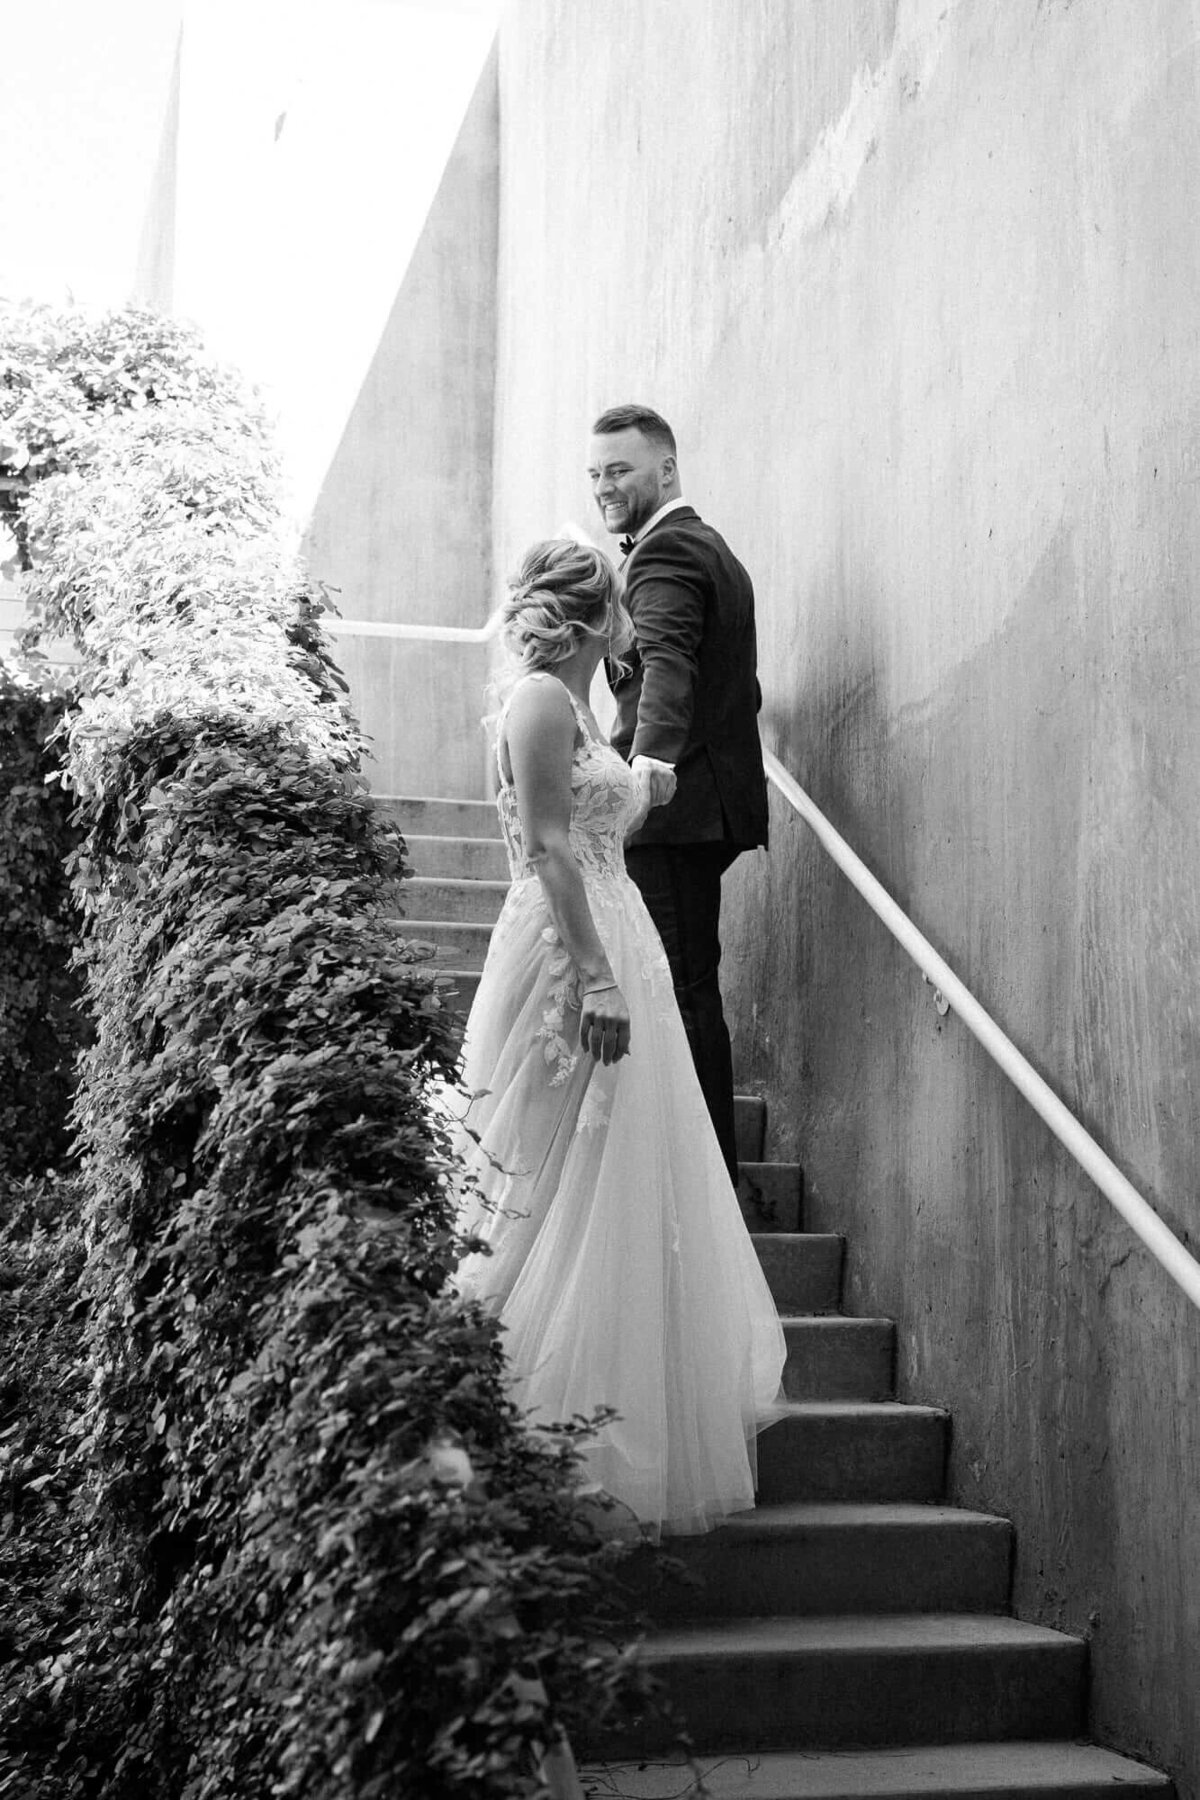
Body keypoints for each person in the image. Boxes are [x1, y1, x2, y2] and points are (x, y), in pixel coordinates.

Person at [452, 539, 784, 1539]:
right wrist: (596, 973)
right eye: (622, 606)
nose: (633, 623)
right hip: (571, 950)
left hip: (612, 924)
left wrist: (645, 785)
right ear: (602, 617)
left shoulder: (575, 703)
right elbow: (549, 841)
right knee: (548, 1161)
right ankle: (500, 1409)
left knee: (605, 1169)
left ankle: (578, 1420)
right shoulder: (542, 701)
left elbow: (594, 818)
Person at [587, 405, 769, 1185]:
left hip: (675, 812)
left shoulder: (663, 555)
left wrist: (646, 770)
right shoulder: (708, 547)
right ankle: (700, 1177)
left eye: (618, 469)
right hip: (709, 805)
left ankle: (709, 1185)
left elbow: (669, 669)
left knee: (685, 992)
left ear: (665, 470)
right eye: (595, 472)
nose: (603, 485)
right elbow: (708, 674)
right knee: (684, 986)